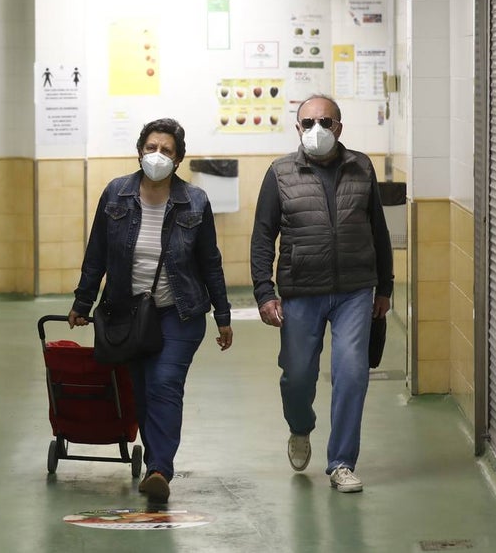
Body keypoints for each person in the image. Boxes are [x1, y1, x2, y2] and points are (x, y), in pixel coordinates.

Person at [69, 118, 233, 504]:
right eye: (151, 148)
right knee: (140, 391)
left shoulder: (195, 201)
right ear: (139, 150)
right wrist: (82, 301)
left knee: (164, 384)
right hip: (127, 313)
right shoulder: (116, 194)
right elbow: (97, 255)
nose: (157, 156)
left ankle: (160, 469)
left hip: (180, 311)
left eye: (167, 151)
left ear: (178, 161)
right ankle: (154, 463)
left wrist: (223, 317)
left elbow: (210, 262)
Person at [250, 94, 393, 494]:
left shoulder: (361, 166)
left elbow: (378, 231)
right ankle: (300, 427)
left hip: (355, 290)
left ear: (339, 128)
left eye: (326, 122)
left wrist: (385, 287)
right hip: (300, 289)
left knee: (352, 374)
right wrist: (265, 291)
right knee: (297, 378)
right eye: (309, 122)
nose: (318, 129)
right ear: (297, 129)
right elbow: (263, 235)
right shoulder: (279, 173)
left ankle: (342, 462)